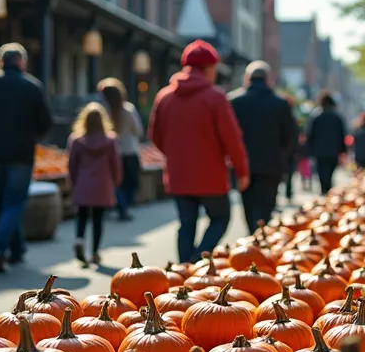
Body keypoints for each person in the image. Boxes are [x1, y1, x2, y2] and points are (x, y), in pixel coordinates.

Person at [148, 40, 251, 263]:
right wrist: (241, 171)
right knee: (221, 217)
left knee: (186, 223)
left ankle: (185, 269)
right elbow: (232, 140)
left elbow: (155, 135)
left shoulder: (165, 96)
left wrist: (175, 154)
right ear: (209, 68)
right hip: (210, 175)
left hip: (179, 174)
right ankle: (196, 261)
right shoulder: (215, 97)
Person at [0, 43, 53, 273]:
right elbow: (45, 123)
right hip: (21, 154)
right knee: (14, 203)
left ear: (0, 61)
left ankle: (16, 248)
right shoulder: (32, 87)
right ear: (22, 62)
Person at [229, 61, 297, 232]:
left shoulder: (233, 101)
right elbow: (290, 136)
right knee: (266, 206)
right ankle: (260, 238)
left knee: (248, 205)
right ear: (268, 79)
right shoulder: (280, 103)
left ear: (247, 78)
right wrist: (282, 156)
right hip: (271, 164)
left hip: (243, 164)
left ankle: (253, 237)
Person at [67, 102, 122, 268]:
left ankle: (79, 240)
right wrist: (116, 180)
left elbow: (71, 165)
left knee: (82, 216)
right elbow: (115, 163)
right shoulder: (110, 140)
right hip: (102, 184)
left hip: (83, 183)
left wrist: (73, 181)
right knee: (98, 219)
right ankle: (95, 252)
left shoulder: (76, 140)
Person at [98, 78, 144, 221]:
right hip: (130, 150)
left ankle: (120, 205)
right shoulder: (128, 110)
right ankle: (123, 206)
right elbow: (138, 130)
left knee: (116, 182)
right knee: (131, 182)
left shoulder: (103, 112)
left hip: (111, 152)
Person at [306, 93, 346, 194]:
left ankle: (324, 189)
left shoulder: (316, 116)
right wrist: (342, 150)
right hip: (333, 150)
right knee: (330, 172)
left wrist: (310, 150)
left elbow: (310, 135)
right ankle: (328, 189)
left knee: (321, 171)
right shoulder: (337, 117)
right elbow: (341, 135)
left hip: (319, 151)